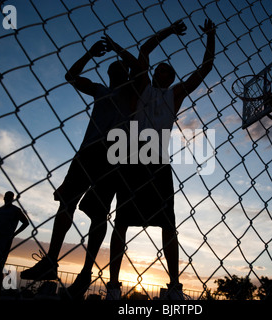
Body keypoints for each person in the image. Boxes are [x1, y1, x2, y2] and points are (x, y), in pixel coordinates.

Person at [20, 37, 140, 300]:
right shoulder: (100, 90)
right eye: (113, 69)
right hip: (88, 152)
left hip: (114, 153)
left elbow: (138, 65)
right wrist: (89, 53)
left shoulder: (133, 90)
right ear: (108, 75)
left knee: (99, 214)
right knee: (66, 202)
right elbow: (71, 76)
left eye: (121, 68)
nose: (118, 70)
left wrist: (117, 48)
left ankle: (86, 273)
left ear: (126, 72)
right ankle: (51, 261)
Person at [107, 19, 216, 300]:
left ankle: (174, 287)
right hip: (133, 155)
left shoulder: (174, 95)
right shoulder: (142, 85)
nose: (162, 71)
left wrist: (211, 36)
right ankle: (114, 287)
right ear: (154, 73)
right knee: (122, 222)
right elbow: (144, 50)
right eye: (160, 68)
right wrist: (168, 30)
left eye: (168, 70)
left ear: (171, 78)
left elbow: (205, 69)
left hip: (157, 160)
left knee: (168, 224)